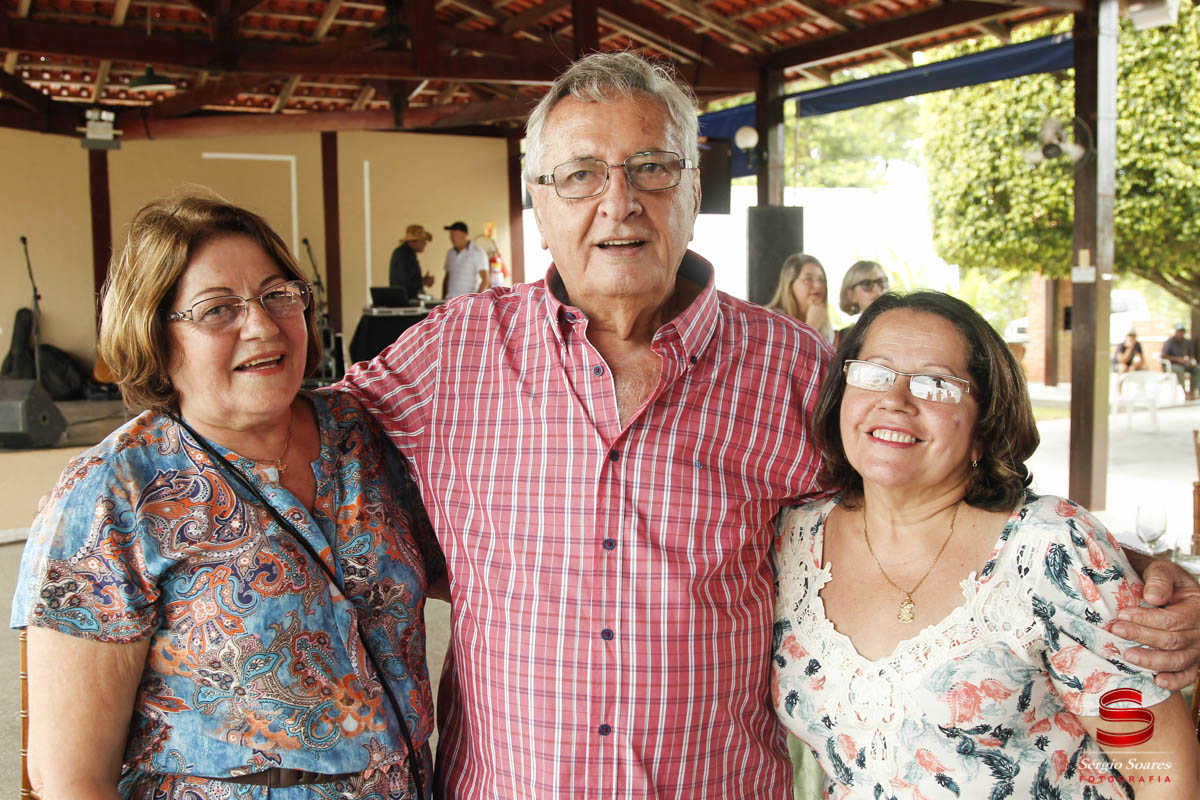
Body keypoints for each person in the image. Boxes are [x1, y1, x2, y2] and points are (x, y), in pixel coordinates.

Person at [338, 54, 1200, 799]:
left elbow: (934, 504)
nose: (619, 202)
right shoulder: (450, 355)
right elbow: (297, 443)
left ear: (693, 187)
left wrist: (1131, 572)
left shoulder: (794, 369)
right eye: (579, 175)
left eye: (651, 167)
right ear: (537, 199)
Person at [12, 190, 442, 799]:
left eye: (278, 295)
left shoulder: (363, 435)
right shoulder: (113, 493)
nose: (262, 326)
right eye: (218, 309)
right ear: (155, 334)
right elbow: (70, 778)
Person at [773, 290, 1200, 798]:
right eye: (874, 372)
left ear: (984, 424)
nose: (896, 400)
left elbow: (1163, 772)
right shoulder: (793, 540)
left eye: (936, 384)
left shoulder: (1050, 548)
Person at [765, 252, 834, 342]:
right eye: (808, 279)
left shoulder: (825, 325)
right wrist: (812, 327)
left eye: (822, 279)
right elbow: (786, 355)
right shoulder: (772, 319)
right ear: (790, 284)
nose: (818, 285)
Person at [834, 259, 888, 347]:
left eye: (881, 282)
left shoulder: (902, 328)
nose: (877, 289)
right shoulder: (842, 338)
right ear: (851, 295)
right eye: (867, 284)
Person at [441, 221, 488, 298]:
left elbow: (485, 280)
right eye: (451, 235)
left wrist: (476, 301)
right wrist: (442, 299)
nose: (452, 238)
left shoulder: (477, 252)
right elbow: (447, 277)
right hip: (451, 300)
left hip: (468, 301)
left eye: (454, 235)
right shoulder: (450, 253)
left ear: (464, 234)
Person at [390, 223, 435, 301]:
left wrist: (421, 280)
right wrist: (424, 281)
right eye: (423, 240)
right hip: (404, 303)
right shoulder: (404, 254)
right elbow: (405, 282)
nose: (425, 243)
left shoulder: (406, 253)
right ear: (414, 241)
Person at [1161, 323, 1200, 400]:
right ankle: (1184, 391)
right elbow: (1163, 355)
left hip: (1185, 364)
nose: (1180, 333)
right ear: (1176, 332)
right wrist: (1178, 359)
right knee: (1179, 369)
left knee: (1197, 369)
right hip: (1173, 364)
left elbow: (1191, 354)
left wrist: (1190, 359)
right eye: (1179, 331)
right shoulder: (1170, 342)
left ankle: (1192, 391)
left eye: (1182, 332)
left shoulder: (1186, 342)